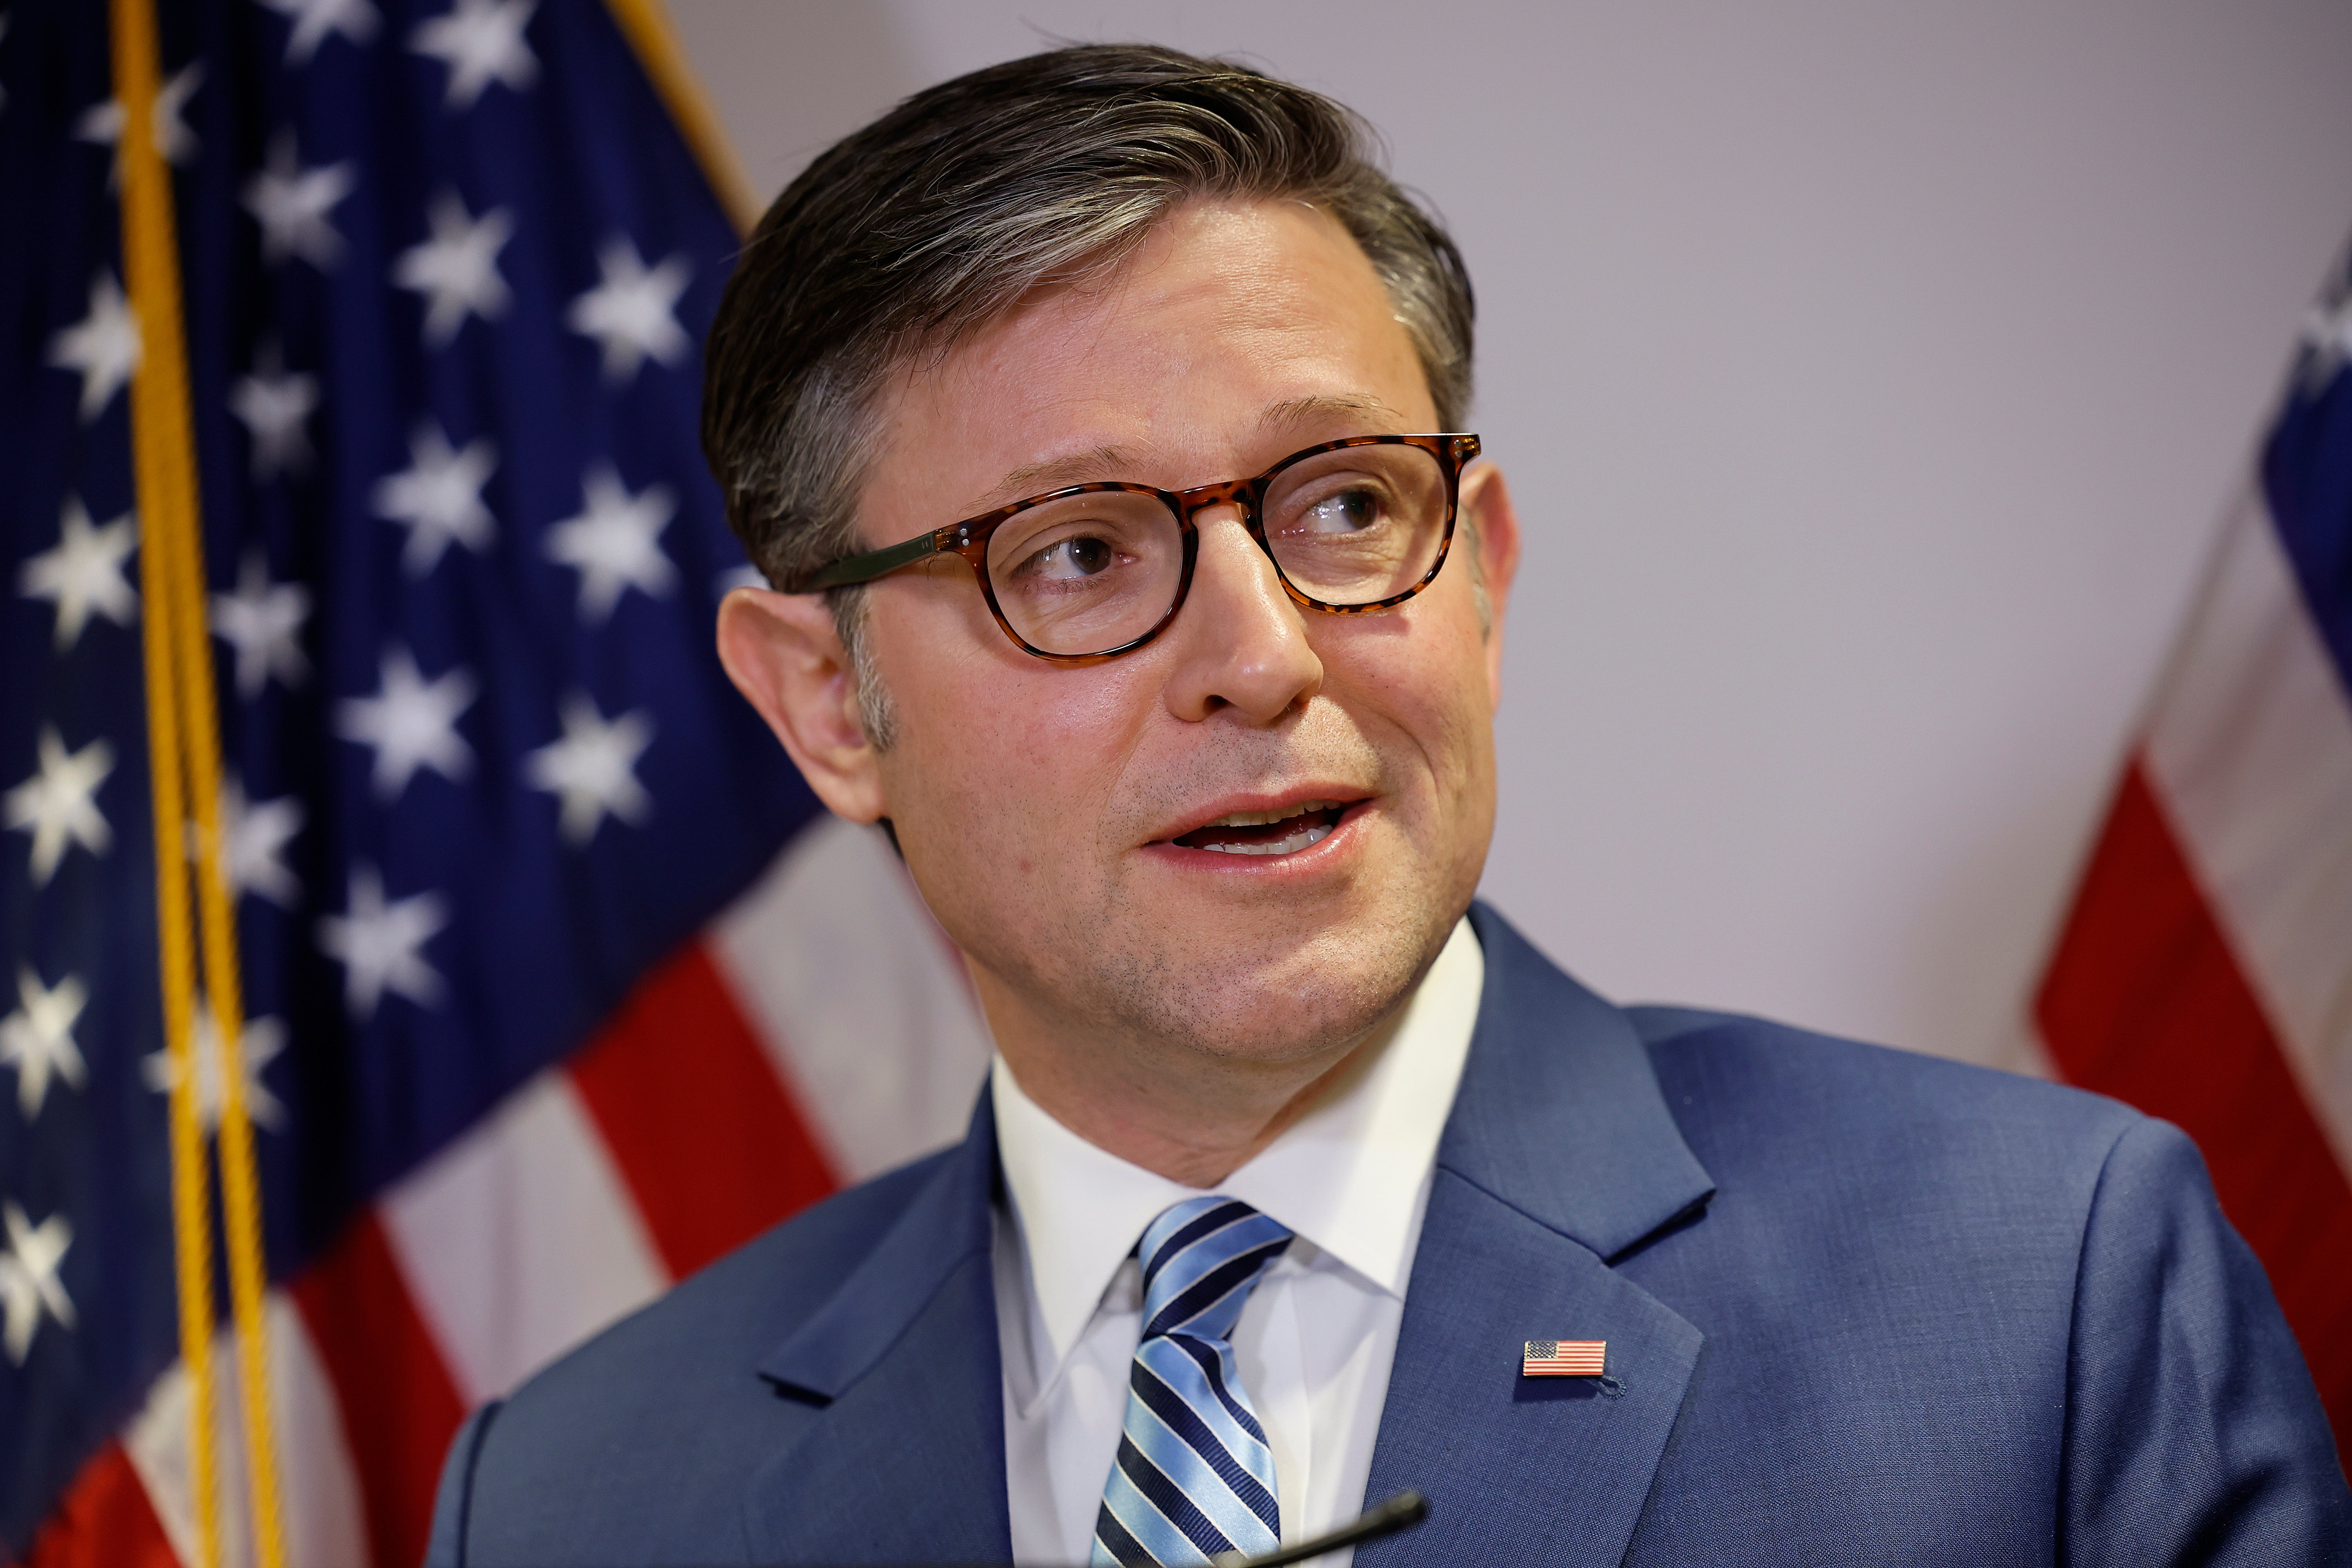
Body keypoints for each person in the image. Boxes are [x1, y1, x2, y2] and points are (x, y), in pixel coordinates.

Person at [425, 43, 2350, 1567]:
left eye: (1346, 507)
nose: (1264, 654)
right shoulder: (575, 1498)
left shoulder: (2045, 1299)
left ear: (1483, 570)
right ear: (825, 706)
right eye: (1080, 553)